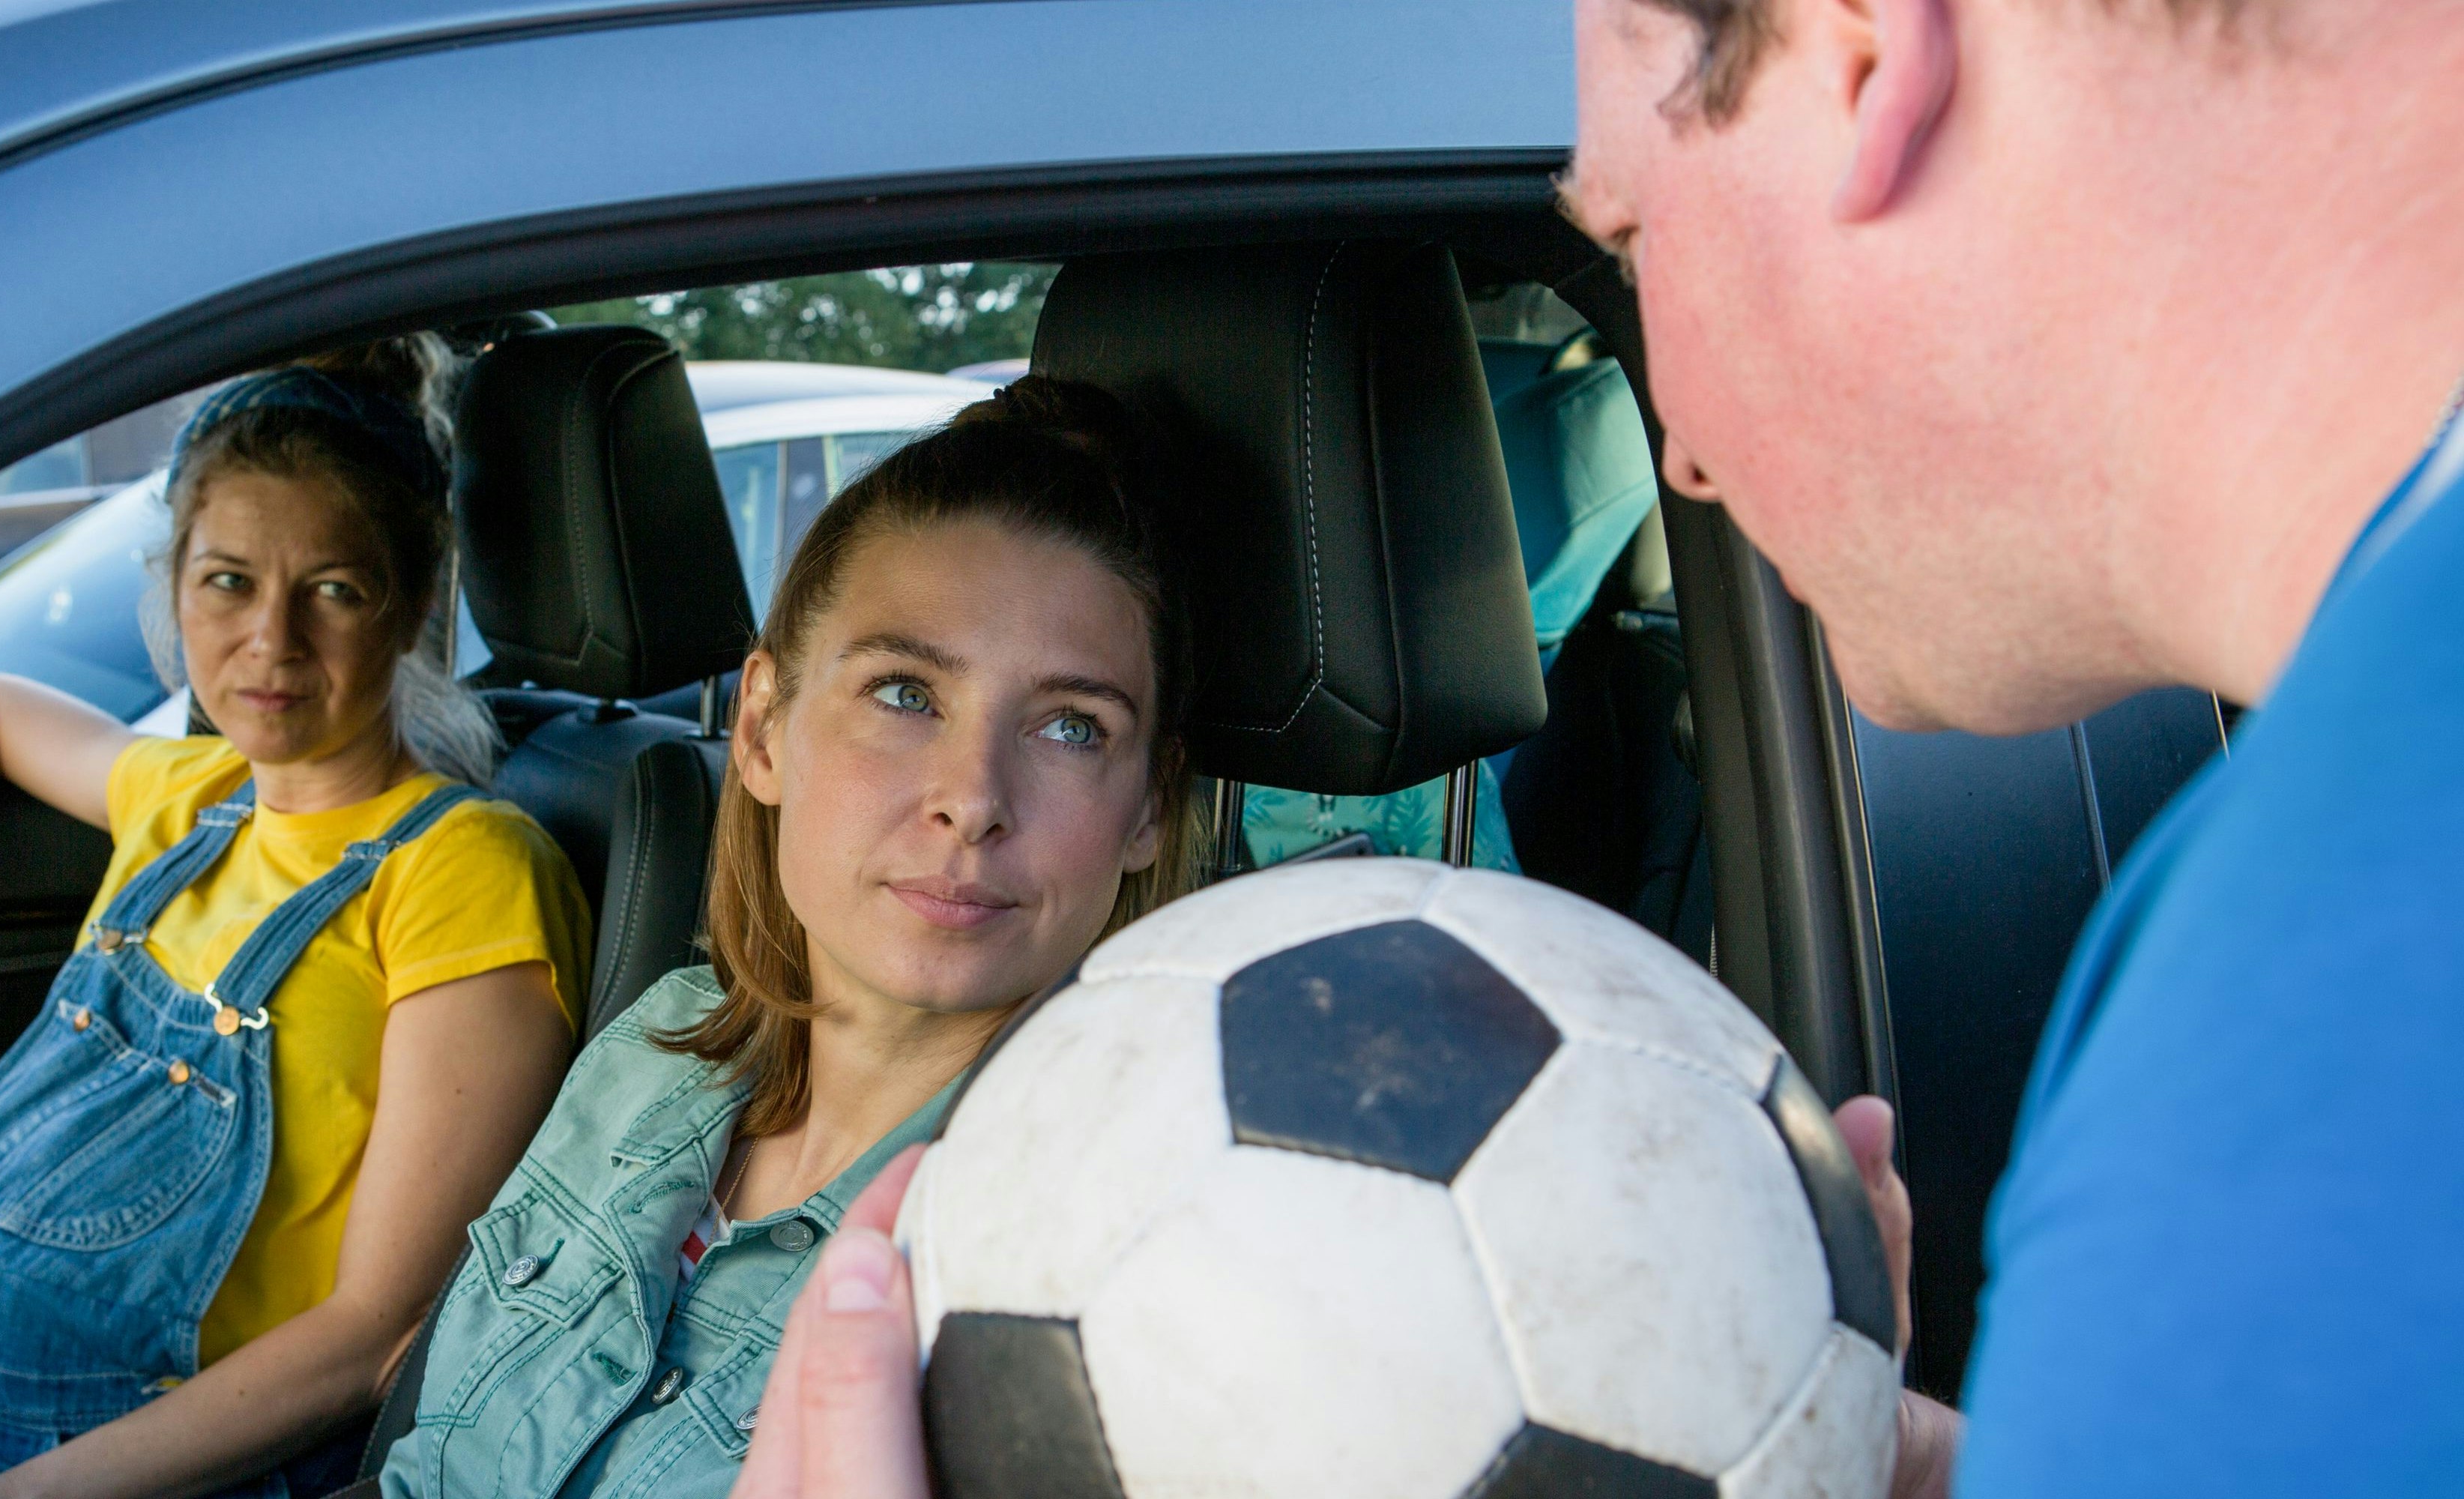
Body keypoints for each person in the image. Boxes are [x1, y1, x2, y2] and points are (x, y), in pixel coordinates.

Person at [746, 0, 2464, 1495]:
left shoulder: (2329, 997)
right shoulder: (2336, 856)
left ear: (1861, 56)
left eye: (1630, 242)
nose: (1683, 450)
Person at [0, 340, 591, 1499]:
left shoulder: (464, 869)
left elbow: (377, 1334)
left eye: (332, 590)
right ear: (174, 583)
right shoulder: (188, 793)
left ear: (410, 607)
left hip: (124, 1481)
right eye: (228, 581)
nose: (270, 643)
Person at [366, 375, 1196, 1499]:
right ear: (761, 730)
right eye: (906, 694)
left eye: (1069, 726)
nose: (973, 798)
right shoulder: (653, 1047)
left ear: (1147, 808)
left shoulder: (1101, 1272)